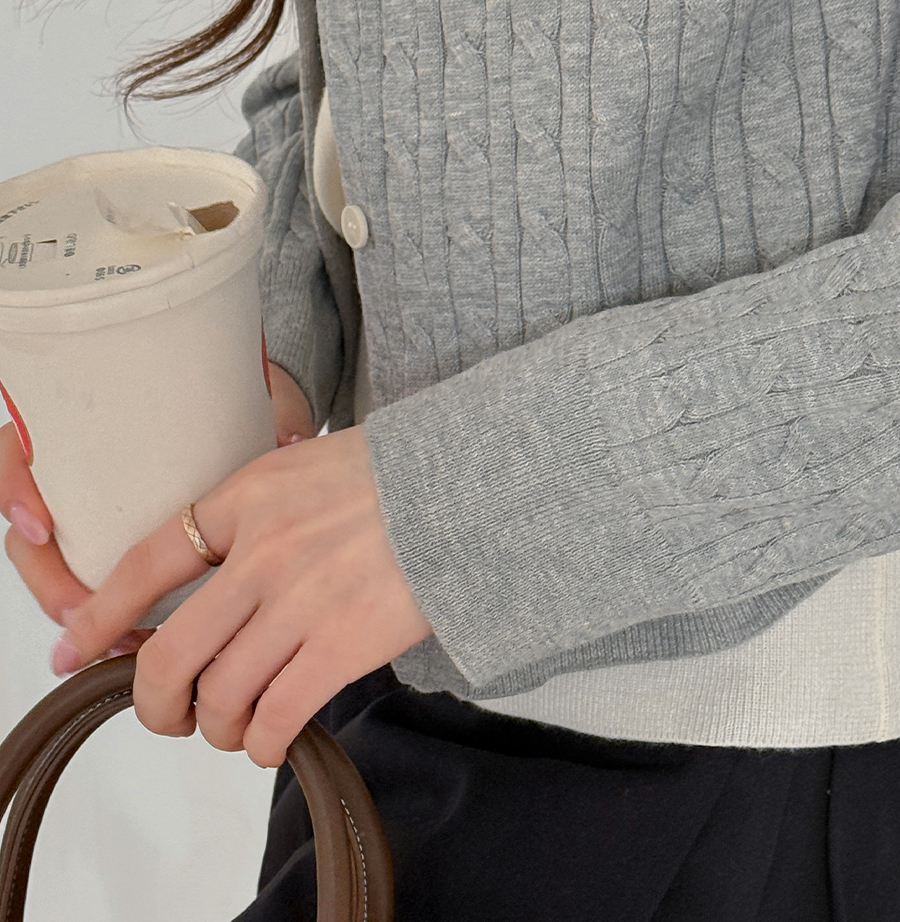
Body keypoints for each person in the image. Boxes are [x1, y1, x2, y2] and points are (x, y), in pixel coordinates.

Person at [4, 0, 900, 917]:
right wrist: (246, 352)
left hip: (762, 750)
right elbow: (376, 67)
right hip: (377, 662)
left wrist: (452, 508)